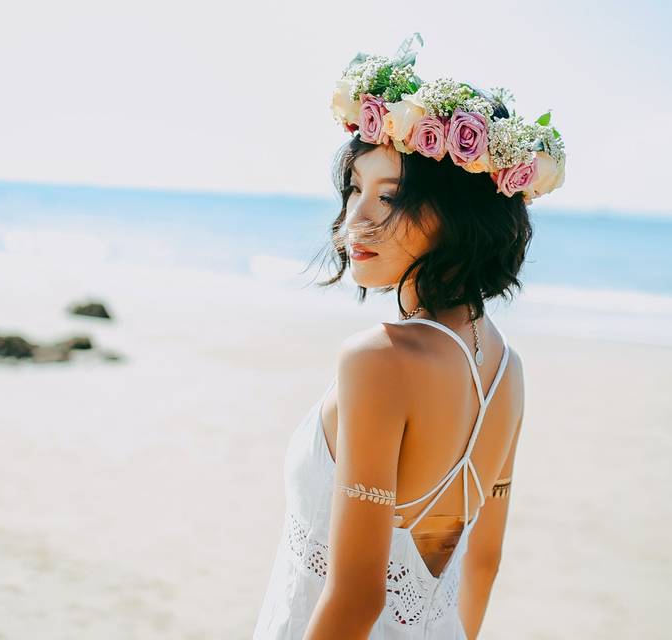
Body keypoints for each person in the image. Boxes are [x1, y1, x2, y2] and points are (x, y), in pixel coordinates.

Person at [253, 34, 566, 639]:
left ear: (455, 215)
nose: (355, 221)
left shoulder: (378, 360)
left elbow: (356, 596)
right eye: (354, 190)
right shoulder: (505, 367)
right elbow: (482, 561)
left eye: (390, 197)